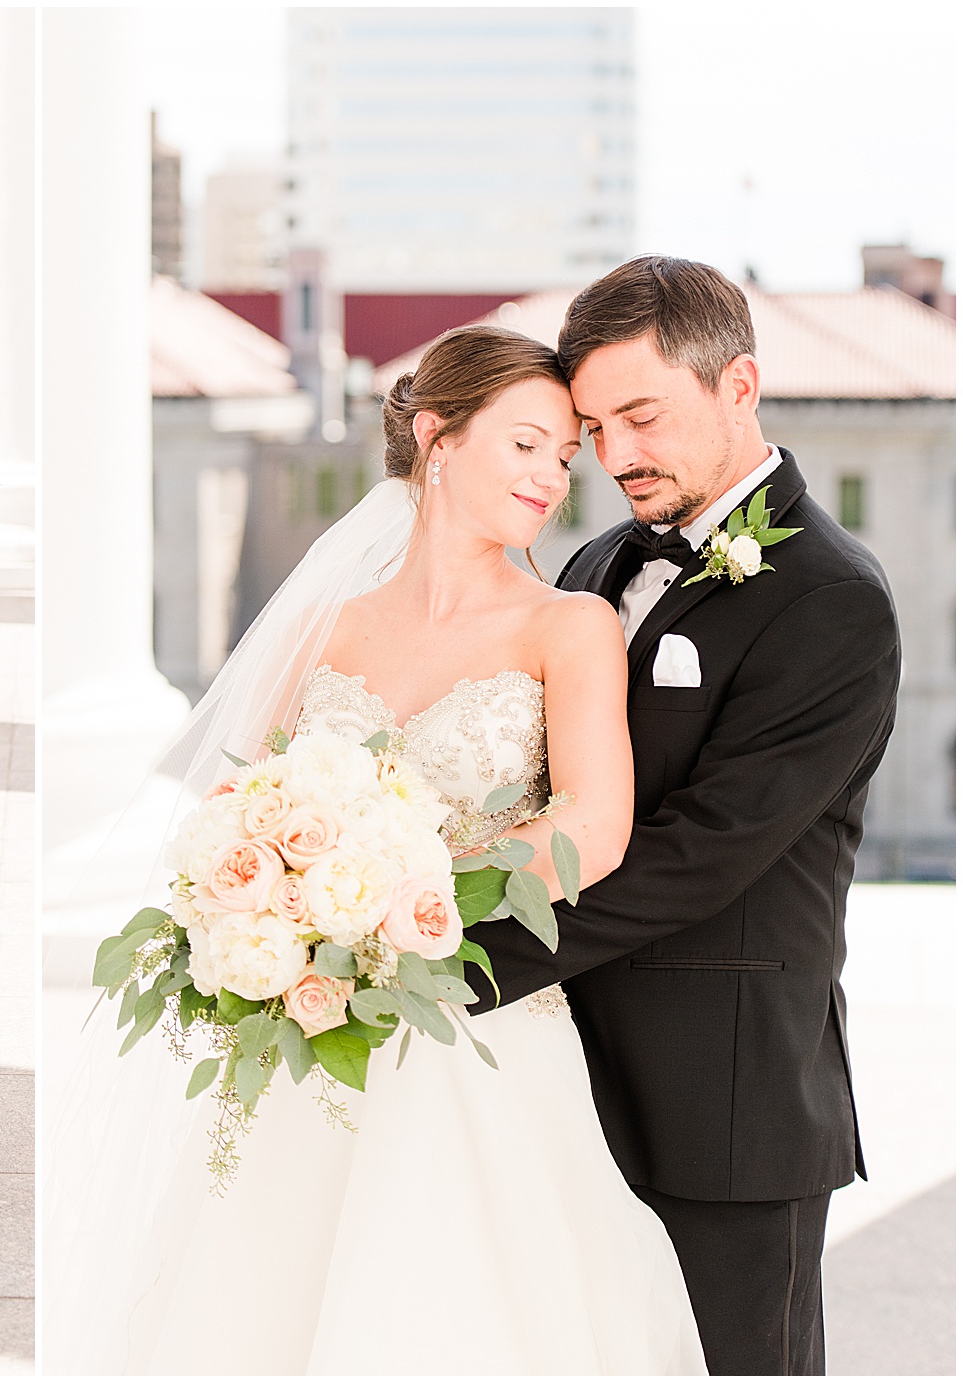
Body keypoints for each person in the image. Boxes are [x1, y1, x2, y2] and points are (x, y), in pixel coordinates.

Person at [44, 325, 706, 1373]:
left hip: (472, 1026)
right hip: (310, 1028)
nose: (552, 476)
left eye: (564, 459)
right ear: (438, 438)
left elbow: (595, 824)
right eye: (528, 444)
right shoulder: (326, 626)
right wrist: (274, 901)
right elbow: (237, 803)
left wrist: (412, 896)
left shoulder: (566, 626)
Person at [464, 256, 900, 1376]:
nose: (614, 459)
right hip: (562, 1085)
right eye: (593, 428)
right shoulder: (598, 562)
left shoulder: (834, 601)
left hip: (729, 1108)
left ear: (737, 383)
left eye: (641, 418)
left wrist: (458, 963)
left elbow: (701, 856)